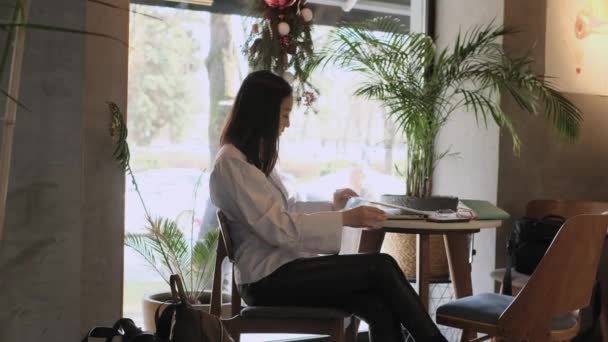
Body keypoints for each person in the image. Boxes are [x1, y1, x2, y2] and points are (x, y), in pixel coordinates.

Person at [209, 70, 447, 342]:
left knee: (376, 306)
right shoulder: (232, 164)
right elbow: (280, 229)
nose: (286, 124)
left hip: (280, 271)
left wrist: (334, 208)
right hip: (265, 280)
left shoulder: (249, 159)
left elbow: (284, 212)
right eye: (284, 114)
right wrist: (345, 218)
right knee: (380, 267)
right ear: (264, 112)